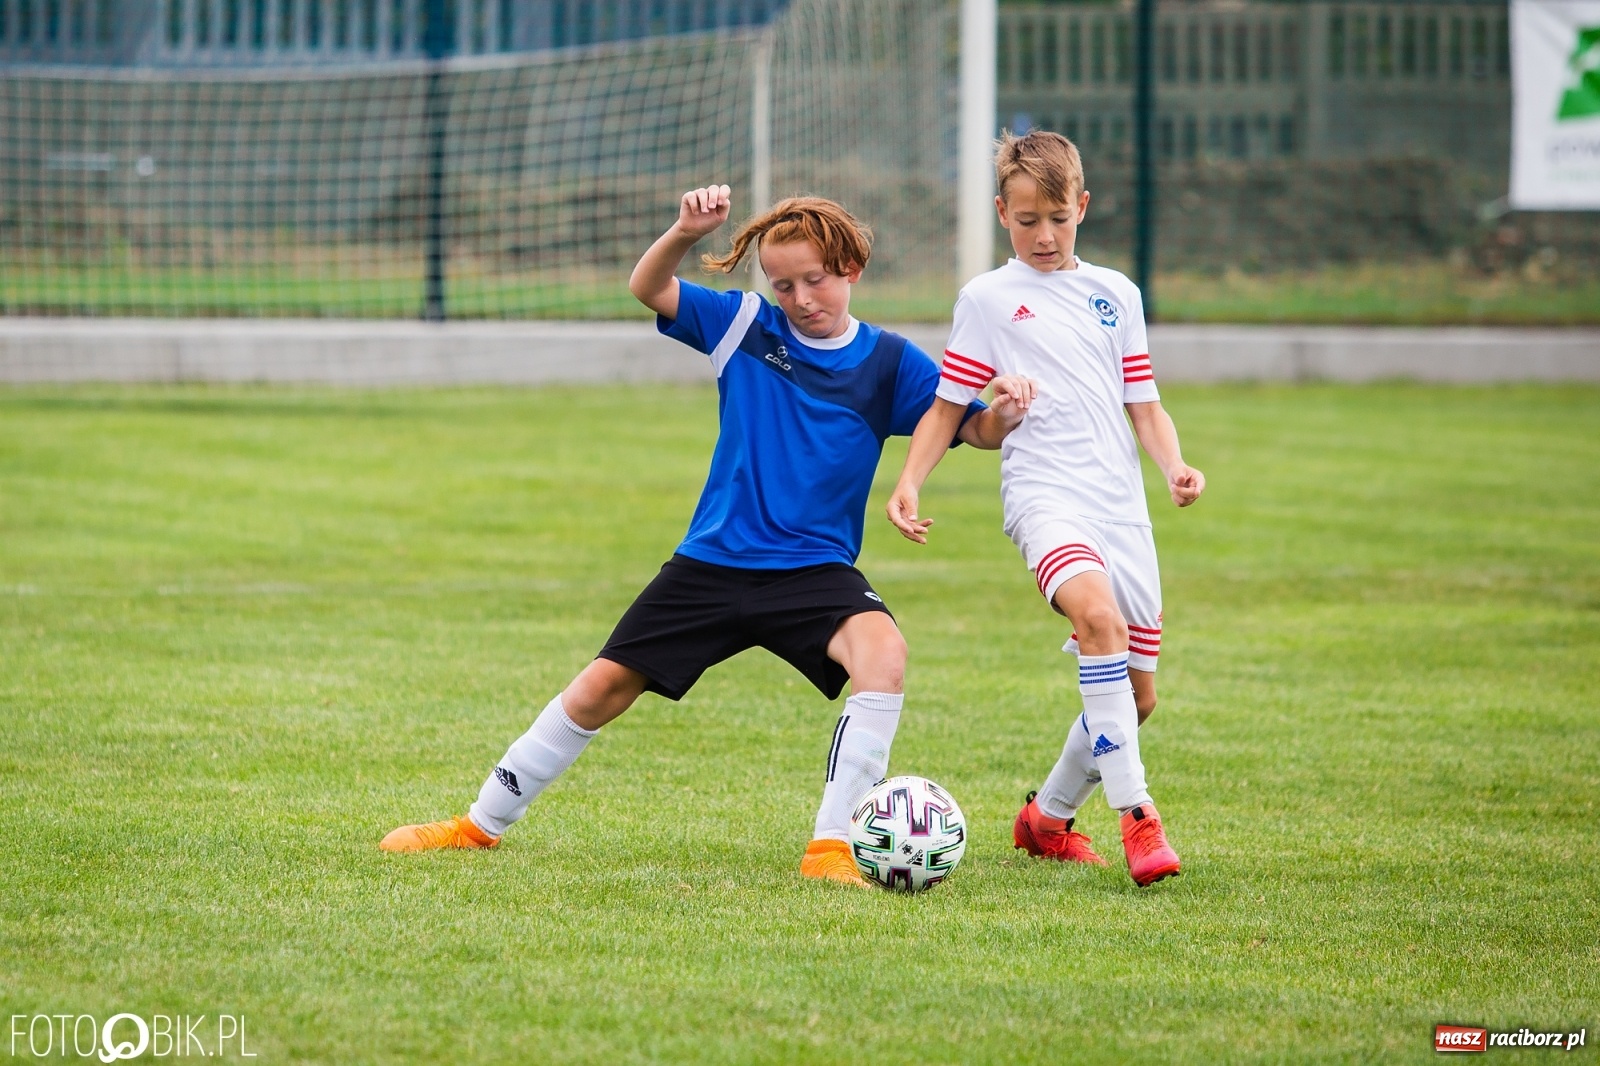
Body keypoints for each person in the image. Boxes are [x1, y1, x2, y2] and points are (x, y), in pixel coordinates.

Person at [381, 184, 1033, 886]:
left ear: (851, 270)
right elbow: (648, 285)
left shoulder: (888, 362)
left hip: (813, 570)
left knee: (885, 655)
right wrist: (684, 233)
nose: (800, 297)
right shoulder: (744, 325)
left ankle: (832, 850)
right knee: (600, 687)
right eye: (784, 284)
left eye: (814, 279)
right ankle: (478, 825)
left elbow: (970, 427)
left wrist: (1003, 411)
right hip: (713, 562)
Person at [886, 132, 1206, 887]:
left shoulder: (1117, 294)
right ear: (1003, 213)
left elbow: (1146, 405)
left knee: (1137, 694)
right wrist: (909, 482)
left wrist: (1174, 465)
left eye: (1057, 218)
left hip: (1119, 506)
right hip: (1044, 495)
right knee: (1098, 622)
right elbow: (945, 407)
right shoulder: (987, 300)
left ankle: (1049, 820)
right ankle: (1139, 819)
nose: (1043, 235)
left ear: (1082, 208)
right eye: (1027, 219)